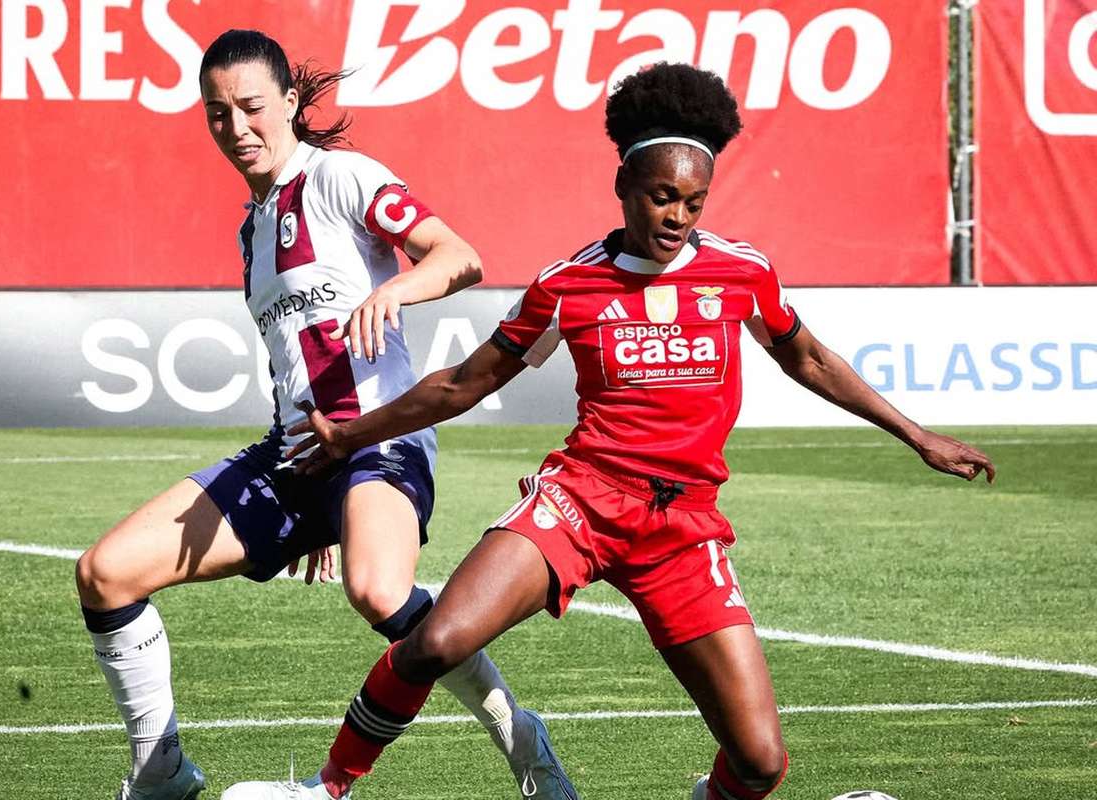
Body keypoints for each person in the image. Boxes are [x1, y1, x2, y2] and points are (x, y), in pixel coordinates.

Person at [226, 63, 997, 800]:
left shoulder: (739, 272)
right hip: (581, 505)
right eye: (664, 197)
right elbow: (465, 383)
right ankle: (326, 788)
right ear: (624, 184)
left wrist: (917, 435)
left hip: (682, 526)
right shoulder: (570, 285)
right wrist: (351, 439)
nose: (679, 218)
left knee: (760, 764)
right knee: (436, 642)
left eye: (695, 203)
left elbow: (810, 359)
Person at [74, 29, 576, 800]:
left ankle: (518, 730)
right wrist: (319, 507)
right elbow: (291, 367)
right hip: (301, 454)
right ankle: (161, 772)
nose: (235, 129)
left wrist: (394, 290)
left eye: (250, 108)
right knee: (105, 574)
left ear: (292, 103)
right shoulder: (253, 229)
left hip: (381, 439)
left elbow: (458, 255)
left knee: (379, 591)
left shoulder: (340, 177)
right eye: (217, 114)